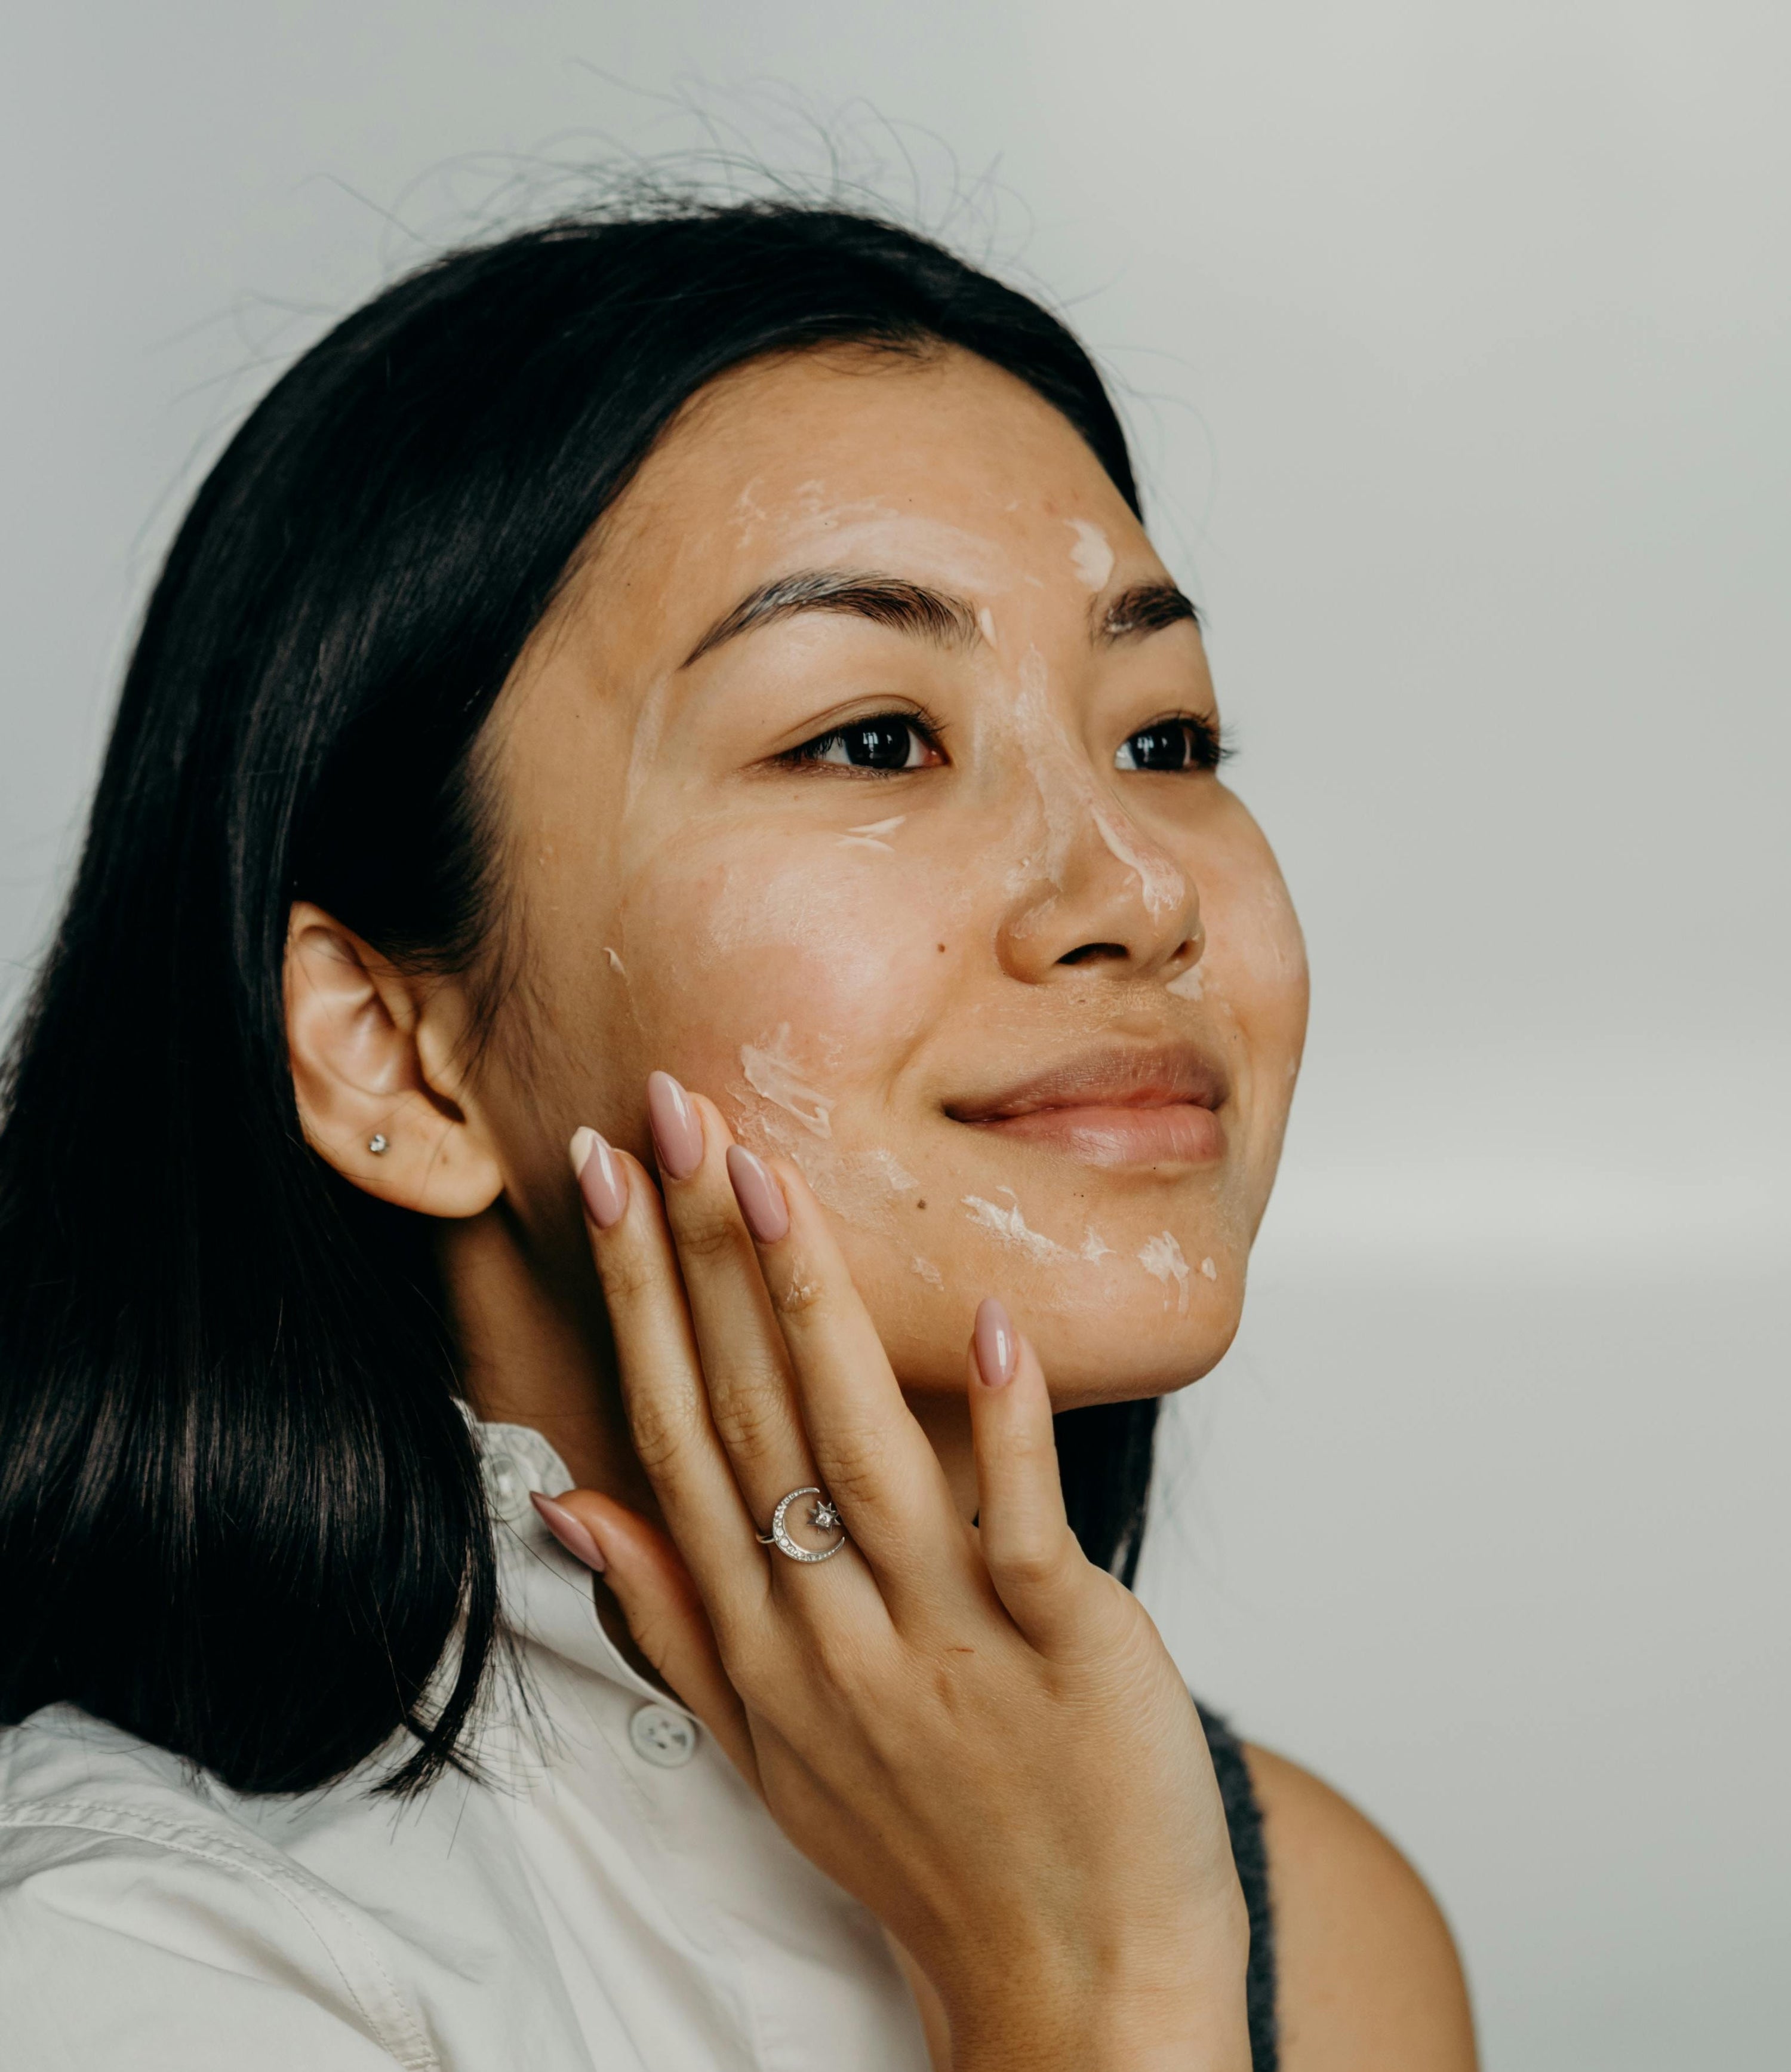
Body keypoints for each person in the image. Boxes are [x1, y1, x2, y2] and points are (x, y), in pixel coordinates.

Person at [0, 198, 1475, 2071]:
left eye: (1165, 740)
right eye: (871, 738)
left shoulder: (1309, 1927)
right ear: (392, 1053)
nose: (1133, 893)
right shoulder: (122, 1972)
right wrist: (1092, 2015)